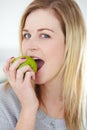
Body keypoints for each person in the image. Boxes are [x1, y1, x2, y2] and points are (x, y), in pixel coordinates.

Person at [0, 0, 87, 130]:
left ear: (70, 44)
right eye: (27, 35)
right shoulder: (4, 101)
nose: (30, 46)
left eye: (45, 35)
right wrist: (28, 108)